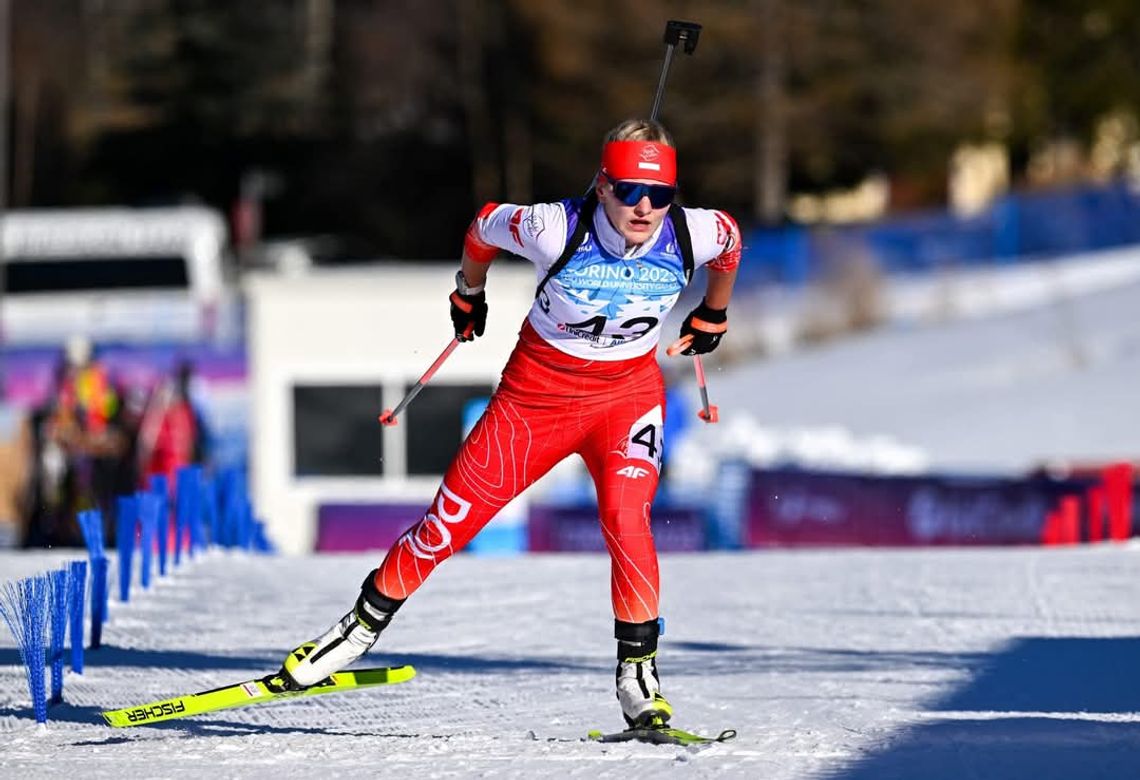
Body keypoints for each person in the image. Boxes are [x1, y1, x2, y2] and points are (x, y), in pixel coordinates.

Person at [279, 118, 741, 729]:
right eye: (630, 191)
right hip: (535, 401)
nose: (646, 207)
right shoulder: (553, 226)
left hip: (626, 398)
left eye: (660, 195)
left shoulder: (695, 230)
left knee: (627, 518)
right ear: (602, 184)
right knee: (448, 524)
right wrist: (469, 291)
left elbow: (730, 245)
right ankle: (357, 630)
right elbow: (483, 224)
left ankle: (638, 675)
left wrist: (714, 313)